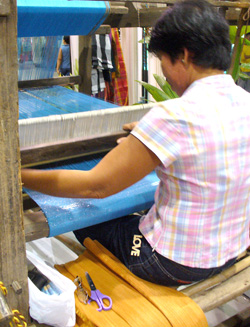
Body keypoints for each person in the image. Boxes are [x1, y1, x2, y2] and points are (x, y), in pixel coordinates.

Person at [22, 0, 250, 286]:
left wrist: (17, 175)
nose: (164, 72)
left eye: (164, 61)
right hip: (229, 250)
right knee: (130, 211)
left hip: (171, 264)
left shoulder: (174, 117)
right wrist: (149, 135)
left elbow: (95, 186)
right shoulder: (244, 101)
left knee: (85, 215)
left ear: (184, 55)